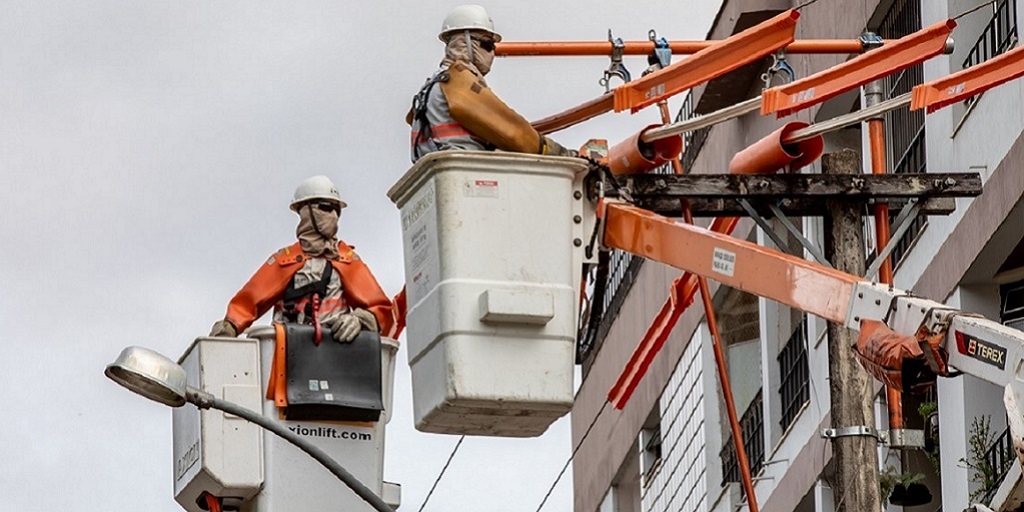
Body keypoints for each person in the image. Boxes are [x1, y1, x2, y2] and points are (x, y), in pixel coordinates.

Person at [209, 175, 393, 342]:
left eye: (337, 210)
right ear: (306, 211)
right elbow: (247, 302)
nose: (334, 216)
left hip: (337, 353)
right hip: (288, 352)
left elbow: (382, 310)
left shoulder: (348, 261)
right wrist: (229, 328)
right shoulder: (284, 260)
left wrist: (362, 320)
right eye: (326, 208)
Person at [407, 4, 575, 162]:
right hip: (468, 169)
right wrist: (559, 153)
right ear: (465, 42)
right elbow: (511, 131)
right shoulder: (459, 82)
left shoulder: (432, 85)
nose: (492, 53)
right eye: (488, 44)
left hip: (444, 171)